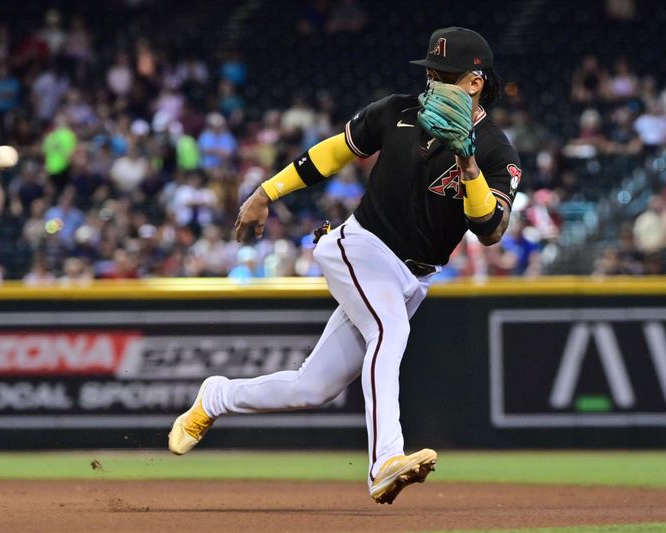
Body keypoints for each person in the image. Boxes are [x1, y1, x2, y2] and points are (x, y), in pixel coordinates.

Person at [168, 28, 521, 505]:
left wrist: (468, 160)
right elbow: (332, 153)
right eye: (430, 74)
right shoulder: (398, 111)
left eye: (442, 76)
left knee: (310, 388)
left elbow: (490, 228)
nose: (431, 83)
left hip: (413, 276)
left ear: (474, 83)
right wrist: (265, 193)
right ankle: (383, 463)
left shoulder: (496, 151)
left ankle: (215, 398)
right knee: (389, 331)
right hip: (360, 247)